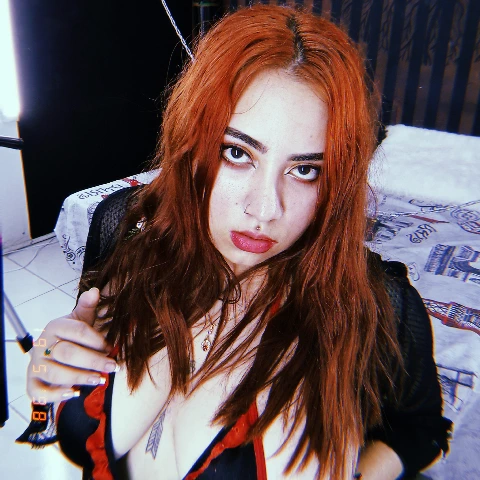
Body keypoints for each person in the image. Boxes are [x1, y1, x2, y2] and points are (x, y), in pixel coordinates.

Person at [22, 5, 451, 479]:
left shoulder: (378, 303)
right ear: (192, 142)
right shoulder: (124, 225)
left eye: (305, 169)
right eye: (237, 152)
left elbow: (421, 430)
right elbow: (65, 376)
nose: (265, 209)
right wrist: (46, 371)